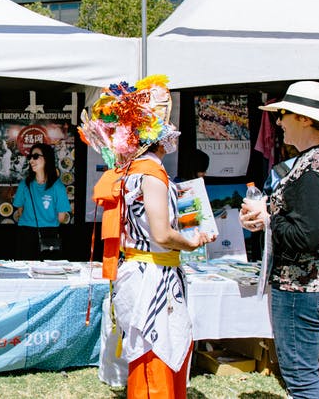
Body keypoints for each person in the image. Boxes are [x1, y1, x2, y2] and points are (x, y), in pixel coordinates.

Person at [80, 74, 215, 398]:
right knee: (157, 354)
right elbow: (162, 234)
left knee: (149, 352)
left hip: (141, 270)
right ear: (158, 137)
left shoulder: (128, 172)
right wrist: (192, 241)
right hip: (155, 274)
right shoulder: (151, 174)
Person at [241, 81, 319, 399]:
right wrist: (266, 210)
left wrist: (267, 220)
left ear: (303, 118)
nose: (278, 122)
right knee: (301, 373)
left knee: (300, 377)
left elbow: (306, 235)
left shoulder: (315, 166)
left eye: (283, 114)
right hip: (309, 282)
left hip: (301, 285)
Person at [12, 143, 71, 260]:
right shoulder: (25, 184)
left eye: (35, 156)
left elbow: (62, 217)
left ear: (47, 158)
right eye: (30, 157)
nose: (31, 161)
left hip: (49, 236)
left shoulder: (57, 186)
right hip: (26, 235)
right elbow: (19, 210)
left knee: (48, 274)